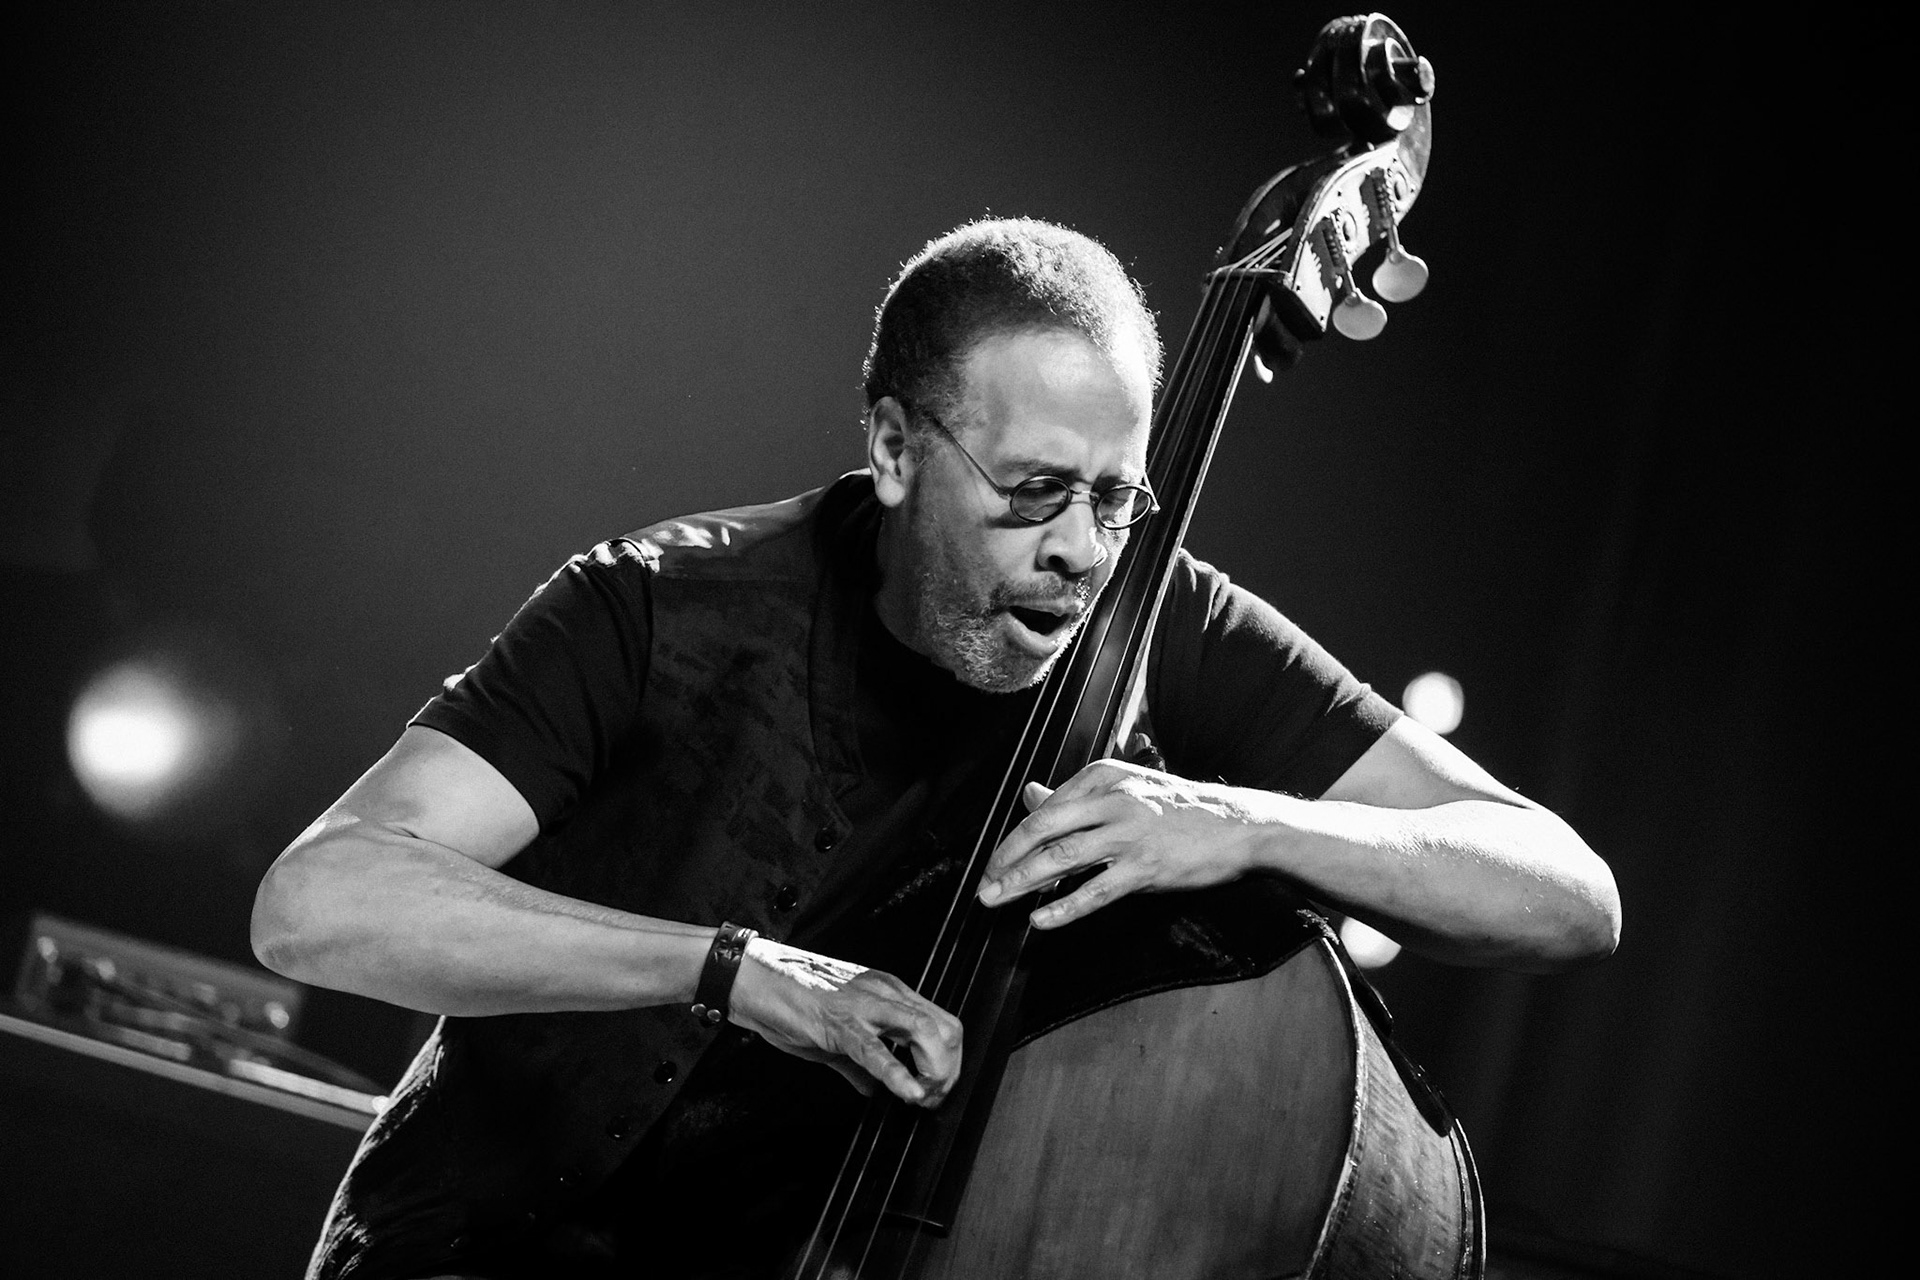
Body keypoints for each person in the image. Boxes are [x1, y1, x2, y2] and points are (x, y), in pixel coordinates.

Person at [252, 218, 1619, 1279]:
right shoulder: (659, 602)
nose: (1080, 549)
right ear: (897, 449)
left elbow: (1561, 889)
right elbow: (322, 903)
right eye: (1032, 493)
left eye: (1116, 500)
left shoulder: (1163, 622)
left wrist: (1245, 822)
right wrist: (731, 973)